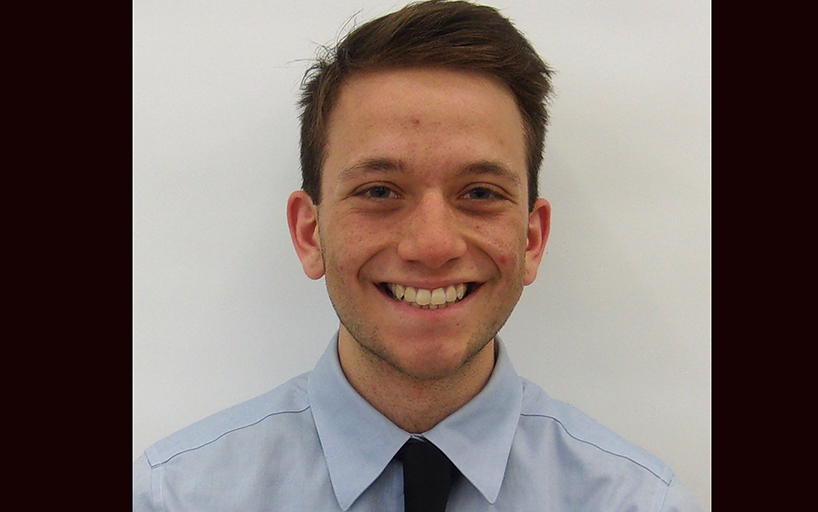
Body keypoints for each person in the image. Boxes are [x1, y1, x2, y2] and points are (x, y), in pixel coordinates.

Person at [133, 1, 704, 510]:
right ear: (310, 234)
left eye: (479, 193)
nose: (433, 246)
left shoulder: (640, 502)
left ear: (531, 240)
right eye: (379, 191)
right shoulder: (174, 496)